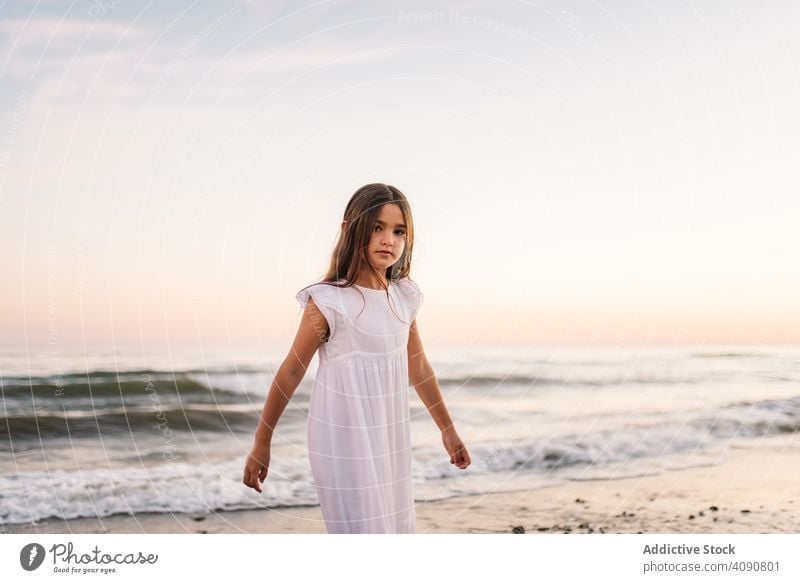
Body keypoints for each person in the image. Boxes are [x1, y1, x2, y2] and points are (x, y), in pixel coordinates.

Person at [242, 183, 471, 533]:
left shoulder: (404, 298)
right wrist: (262, 442)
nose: (388, 240)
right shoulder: (328, 301)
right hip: (342, 440)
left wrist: (448, 431)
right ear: (350, 229)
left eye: (399, 231)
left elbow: (419, 367)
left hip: (389, 437)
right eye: (377, 227)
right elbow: (291, 371)